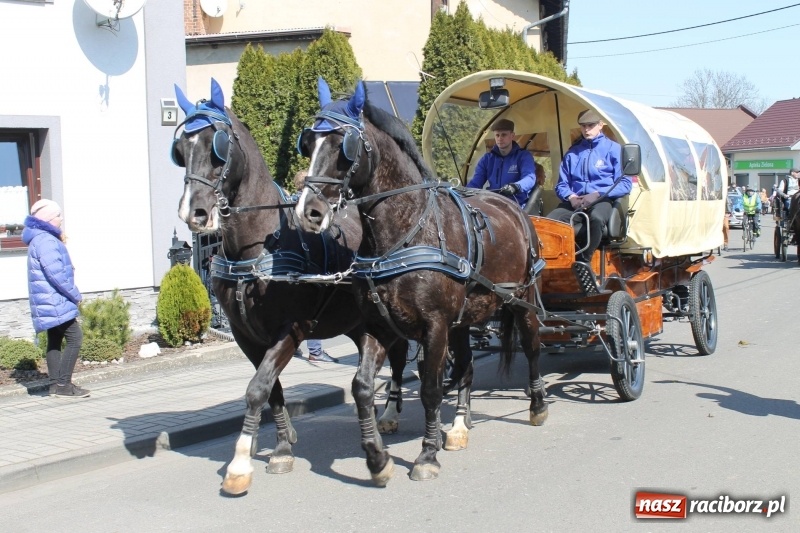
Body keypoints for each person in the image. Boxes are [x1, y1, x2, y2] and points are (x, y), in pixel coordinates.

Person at [22, 199, 90, 398]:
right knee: (75, 338)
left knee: (54, 339)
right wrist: (75, 294)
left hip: (48, 299)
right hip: (55, 299)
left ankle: (55, 385)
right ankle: (63, 385)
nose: (61, 219)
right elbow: (56, 275)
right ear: (49, 219)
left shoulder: (40, 238)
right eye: (58, 215)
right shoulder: (46, 240)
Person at [547, 109, 632, 263]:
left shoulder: (614, 149)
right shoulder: (573, 153)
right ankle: (553, 261)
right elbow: (561, 185)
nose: (586, 130)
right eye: (583, 126)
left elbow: (625, 184)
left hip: (602, 200)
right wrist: (571, 197)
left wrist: (598, 194)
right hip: (575, 202)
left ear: (601, 125)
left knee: (597, 218)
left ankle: (584, 261)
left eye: (590, 125)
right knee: (548, 221)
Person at [466, 118, 537, 208]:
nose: (500, 138)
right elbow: (475, 184)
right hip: (492, 204)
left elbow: (530, 178)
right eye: (497, 135)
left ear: (512, 135)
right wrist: (462, 192)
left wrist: (516, 187)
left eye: (504, 135)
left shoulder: (523, 156)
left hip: (516, 205)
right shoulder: (487, 159)